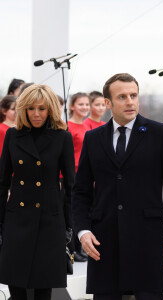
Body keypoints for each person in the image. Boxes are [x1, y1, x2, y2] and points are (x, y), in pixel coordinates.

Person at [72, 73, 163, 300]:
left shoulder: (161, 134)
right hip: (103, 241)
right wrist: (83, 231)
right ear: (108, 103)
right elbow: (81, 191)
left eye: (134, 95)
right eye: (122, 97)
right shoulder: (93, 138)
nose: (130, 101)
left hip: (148, 240)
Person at [0, 84, 75, 300]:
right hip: (17, 217)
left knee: (45, 286)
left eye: (42, 109)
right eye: (31, 108)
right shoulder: (13, 135)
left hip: (49, 218)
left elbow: (71, 186)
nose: (36, 114)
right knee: (15, 282)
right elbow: (2, 182)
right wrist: (1, 220)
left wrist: (69, 225)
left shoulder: (62, 137)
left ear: (51, 109)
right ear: (23, 108)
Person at [68, 92, 90, 262]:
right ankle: (72, 248)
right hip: (71, 173)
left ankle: (80, 246)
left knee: (85, 209)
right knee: (71, 209)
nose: (84, 107)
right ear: (72, 106)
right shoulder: (68, 126)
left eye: (86, 104)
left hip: (84, 173)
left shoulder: (86, 127)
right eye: (80, 104)